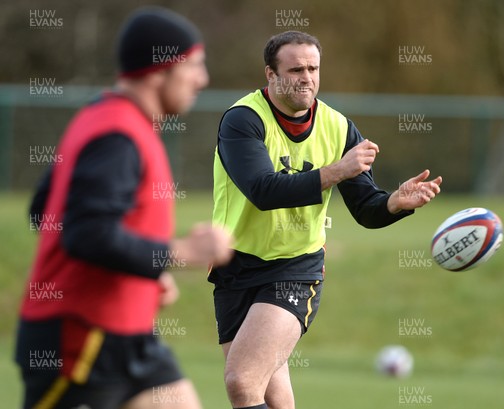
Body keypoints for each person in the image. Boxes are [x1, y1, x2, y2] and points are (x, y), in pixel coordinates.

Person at [211, 31, 443, 409]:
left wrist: (396, 204)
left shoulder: (338, 127)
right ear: (270, 74)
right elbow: (262, 190)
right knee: (272, 394)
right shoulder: (242, 121)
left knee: (242, 381)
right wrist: (335, 171)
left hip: (295, 268)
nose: (307, 77)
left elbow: (367, 209)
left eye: (314, 68)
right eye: (296, 69)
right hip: (234, 267)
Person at [16, 7, 232, 409]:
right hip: (82, 341)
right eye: (194, 66)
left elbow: (44, 210)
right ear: (159, 71)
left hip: (128, 337)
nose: (202, 79)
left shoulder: (105, 117)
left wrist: (145, 272)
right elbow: (86, 232)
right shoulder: (118, 135)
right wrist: (179, 253)